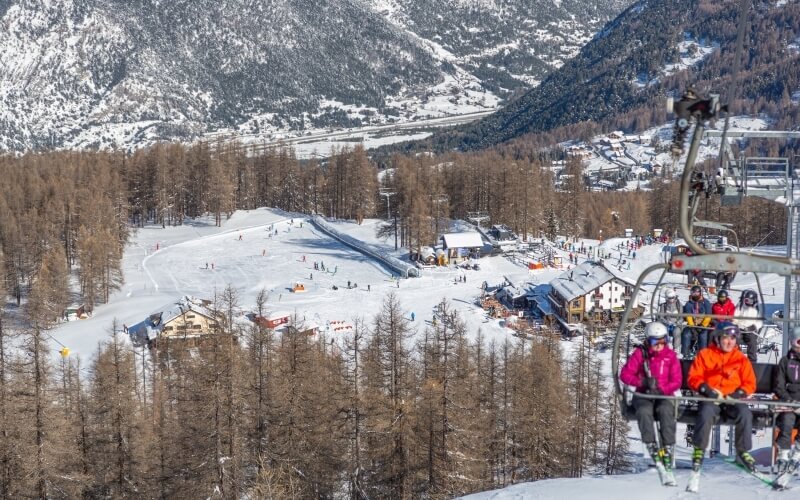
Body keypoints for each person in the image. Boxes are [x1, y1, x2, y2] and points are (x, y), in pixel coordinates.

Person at [687, 322, 757, 472]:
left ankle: (743, 451)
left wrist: (738, 394)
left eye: (732, 338)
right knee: (705, 413)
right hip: (712, 398)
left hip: (732, 400)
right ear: (718, 338)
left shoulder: (740, 359)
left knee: (744, 413)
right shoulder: (705, 355)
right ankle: (699, 450)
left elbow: (750, 383)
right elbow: (694, 377)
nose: (729, 342)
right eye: (726, 338)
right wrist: (707, 390)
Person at [619, 322, 682, 469]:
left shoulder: (670, 356)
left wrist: (662, 389)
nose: (659, 345)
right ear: (648, 341)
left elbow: (677, 380)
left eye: (663, 341)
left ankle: (668, 446)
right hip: (643, 393)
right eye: (655, 341)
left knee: (666, 411)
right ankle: (651, 444)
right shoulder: (640, 354)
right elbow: (625, 374)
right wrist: (642, 381)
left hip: (663, 394)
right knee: (643, 411)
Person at [772, 327, 800, 466]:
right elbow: (779, 386)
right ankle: (783, 453)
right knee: (787, 420)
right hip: (788, 401)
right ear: (793, 342)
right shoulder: (785, 361)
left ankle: (798, 452)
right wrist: (790, 401)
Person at [682, 285, 712, 358]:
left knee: (703, 335)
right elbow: (688, 316)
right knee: (687, 334)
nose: (695, 295)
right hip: (692, 324)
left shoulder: (706, 302)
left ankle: (703, 354)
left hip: (703, 325)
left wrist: (703, 326)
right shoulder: (689, 303)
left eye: (697, 293)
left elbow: (709, 316)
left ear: (700, 293)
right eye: (693, 293)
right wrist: (692, 327)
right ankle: (685, 353)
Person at [736, 289, 762, 364]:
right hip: (740, 328)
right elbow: (735, 316)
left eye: (749, 301)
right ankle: (737, 358)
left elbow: (760, 321)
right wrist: (737, 325)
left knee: (752, 342)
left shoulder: (757, 308)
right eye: (746, 300)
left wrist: (754, 327)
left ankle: (752, 361)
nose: (747, 303)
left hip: (750, 329)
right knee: (734, 339)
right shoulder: (740, 305)